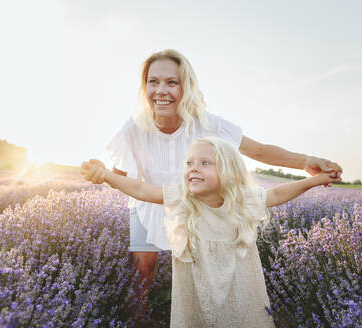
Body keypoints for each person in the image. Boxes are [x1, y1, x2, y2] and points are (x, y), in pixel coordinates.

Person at [87, 49, 342, 316]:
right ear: (145, 86)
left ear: (186, 87)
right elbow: (121, 176)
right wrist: (100, 173)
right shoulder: (133, 128)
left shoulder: (208, 123)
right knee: (142, 271)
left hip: (199, 206)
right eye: (153, 82)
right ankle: (134, 320)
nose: (161, 90)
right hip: (149, 202)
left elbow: (259, 151)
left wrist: (307, 162)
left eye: (171, 82)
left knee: (204, 271)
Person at [81, 136, 342, 327]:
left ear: (227, 172)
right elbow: (142, 191)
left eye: (205, 163)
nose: (193, 167)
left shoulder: (241, 201)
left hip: (239, 291)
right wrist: (106, 175)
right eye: (189, 162)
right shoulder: (183, 198)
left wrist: (315, 180)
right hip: (196, 294)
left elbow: (276, 194)